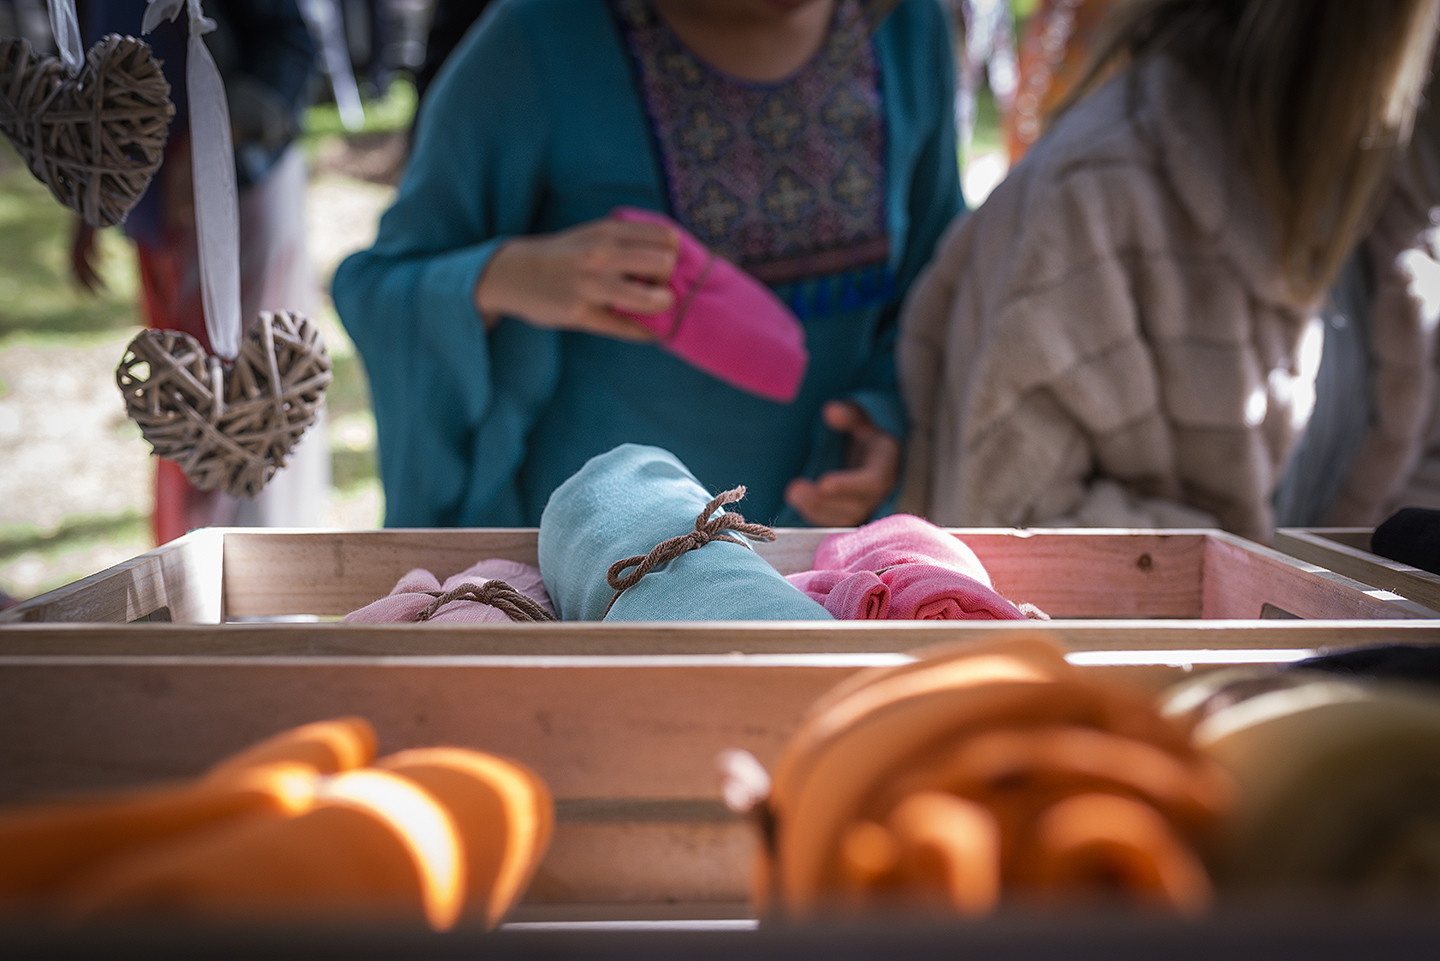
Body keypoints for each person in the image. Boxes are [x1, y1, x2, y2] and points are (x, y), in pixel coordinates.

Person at [331, 0, 962, 529]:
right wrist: (505, 277)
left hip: (815, 577)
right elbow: (380, 286)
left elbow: (934, 293)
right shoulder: (541, 40)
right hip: (588, 585)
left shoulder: (905, 29)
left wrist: (885, 426)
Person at [897, 0, 1440, 544]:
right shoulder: (1096, 194)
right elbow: (1009, 530)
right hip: (1154, 626)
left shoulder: (1403, 196)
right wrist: (1261, 588)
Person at [71, 0, 330, 545]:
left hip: (237, 196)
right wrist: (90, 191)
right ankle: (189, 576)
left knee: (250, 405)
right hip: (156, 210)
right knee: (183, 402)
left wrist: (219, 139)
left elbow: (289, 43)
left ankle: (256, 597)